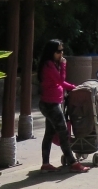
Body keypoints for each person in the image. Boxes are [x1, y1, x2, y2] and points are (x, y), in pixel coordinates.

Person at [37, 39, 89, 173]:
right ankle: (72, 162)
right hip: (50, 104)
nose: (61, 54)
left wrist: (74, 87)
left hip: (52, 103)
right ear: (51, 52)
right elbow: (60, 81)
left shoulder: (52, 64)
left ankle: (45, 164)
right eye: (58, 51)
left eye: (62, 51)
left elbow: (59, 83)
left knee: (49, 133)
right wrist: (64, 65)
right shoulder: (48, 65)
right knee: (63, 133)